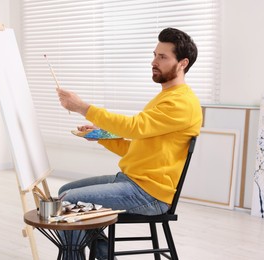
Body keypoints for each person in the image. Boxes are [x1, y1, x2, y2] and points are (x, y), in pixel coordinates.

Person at [56, 27, 202, 260]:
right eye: (154, 54)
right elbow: (136, 145)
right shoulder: (164, 97)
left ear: (183, 63)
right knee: (64, 192)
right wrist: (98, 135)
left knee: (69, 202)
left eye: (162, 57)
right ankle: (103, 254)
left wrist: (83, 107)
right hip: (133, 180)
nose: (154, 61)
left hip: (149, 194)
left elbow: (133, 127)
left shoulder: (181, 103)